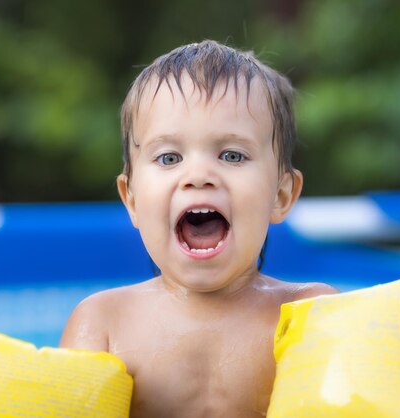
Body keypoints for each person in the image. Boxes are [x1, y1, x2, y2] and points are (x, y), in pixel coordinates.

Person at [60, 40, 337, 418]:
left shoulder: (310, 313)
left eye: (232, 155)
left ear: (281, 195)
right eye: (169, 157)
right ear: (133, 200)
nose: (199, 176)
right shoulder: (103, 324)